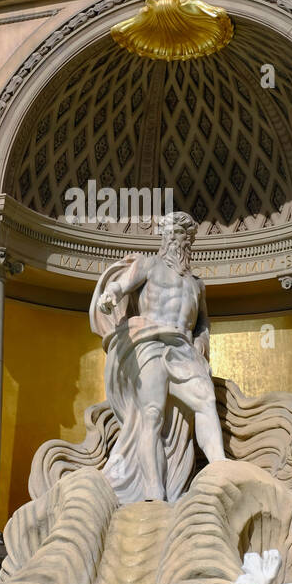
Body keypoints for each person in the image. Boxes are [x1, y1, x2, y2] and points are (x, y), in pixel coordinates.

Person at [91, 211, 225, 502]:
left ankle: (220, 472)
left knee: (206, 401)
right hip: (149, 343)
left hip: (183, 349)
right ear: (162, 238)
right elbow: (122, 284)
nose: (174, 239)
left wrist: (202, 343)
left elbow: (203, 323)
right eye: (169, 233)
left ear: (189, 241)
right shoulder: (149, 265)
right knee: (151, 415)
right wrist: (110, 295)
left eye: (180, 234)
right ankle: (154, 491)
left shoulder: (196, 284)